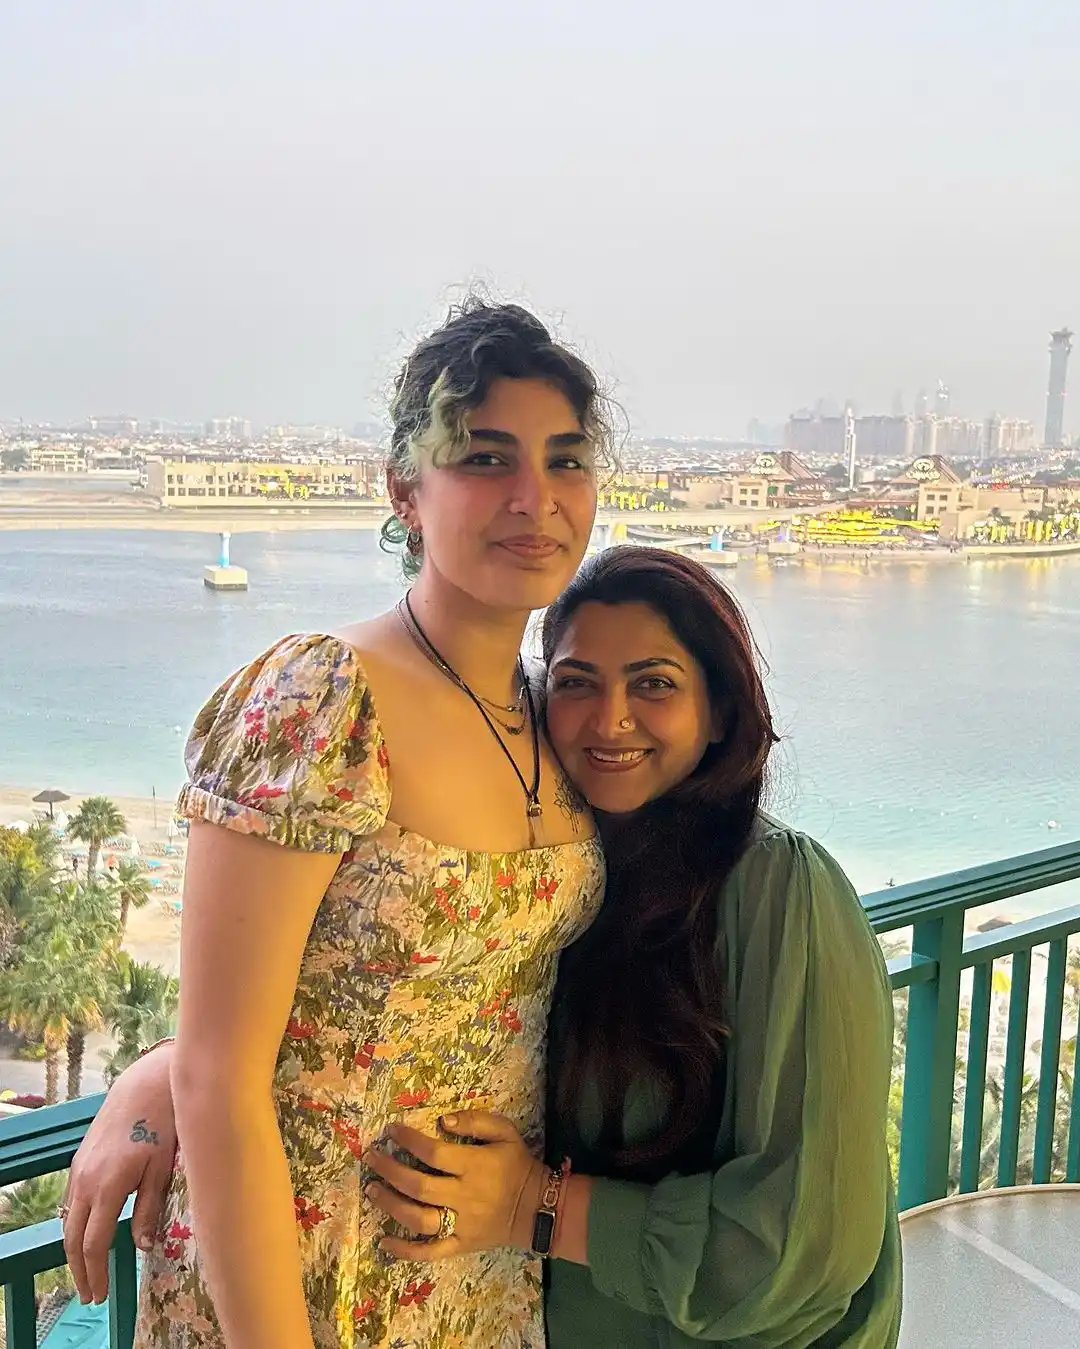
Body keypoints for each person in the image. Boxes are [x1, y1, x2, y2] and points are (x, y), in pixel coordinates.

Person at [64, 547, 902, 1346]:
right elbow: (399, 972)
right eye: (575, 683)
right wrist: (178, 1064)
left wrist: (540, 1206)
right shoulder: (575, 867)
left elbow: (807, 1242)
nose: (610, 718)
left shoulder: (778, 890)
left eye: (654, 683)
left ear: (719, 711)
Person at [61, 298, 611, 1349]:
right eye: (486, 457)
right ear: (405, 490)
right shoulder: (324, 699)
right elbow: (221, 1072)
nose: (534, 497)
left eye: (566, 460)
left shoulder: (550, 714)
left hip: (482, 1272)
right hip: (307, 1273)